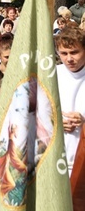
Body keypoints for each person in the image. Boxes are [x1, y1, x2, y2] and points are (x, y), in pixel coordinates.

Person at [55, 27, 85, 175]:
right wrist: (55, 120)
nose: (69, 59)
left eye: (74, 52)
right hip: (56, 158)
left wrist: (83, 121)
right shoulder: (52, 75)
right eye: (64, 53)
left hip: (81, 160)